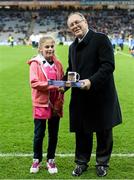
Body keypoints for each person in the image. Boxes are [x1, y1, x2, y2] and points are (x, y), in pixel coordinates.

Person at [64, 12, 122, 177]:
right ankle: (81, 162)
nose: (75, 26)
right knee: (82, 131)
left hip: (101, 95)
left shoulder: (101, 39)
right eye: (71, 25)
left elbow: (108, 66)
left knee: (103, 131)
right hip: (81, 97)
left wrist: (91, 81)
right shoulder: (72, 47)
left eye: (77, 22)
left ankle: (102, 162)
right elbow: (71, 71)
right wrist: (63, 85)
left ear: (85, 21)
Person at [28, 36, 64, 174]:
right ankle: (36, 159)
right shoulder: (35, 63)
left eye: (52, 46)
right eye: (47, 47)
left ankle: (51, 160)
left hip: (55, 104)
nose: (50, 49)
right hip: (41, 104)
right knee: (39, 134)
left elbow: (61, 82)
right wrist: (52, 84)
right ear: (41, 48)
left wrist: (62, 88)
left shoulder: (58, 64)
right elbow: (34, 83)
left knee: (53, 134)